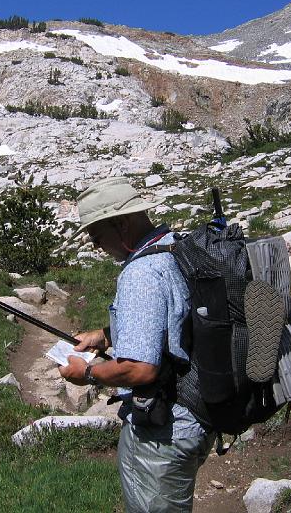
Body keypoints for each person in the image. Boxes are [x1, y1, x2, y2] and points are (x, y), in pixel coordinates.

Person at [58, 176, 216, 513]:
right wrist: (104, 335)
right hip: (201, 414)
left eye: (96, 234)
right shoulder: (175, 245)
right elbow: (172, 318)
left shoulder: (141, 273)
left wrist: (87, 372)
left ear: (121, 223)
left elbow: (140, 369)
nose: (95, 244)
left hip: (164, 433)